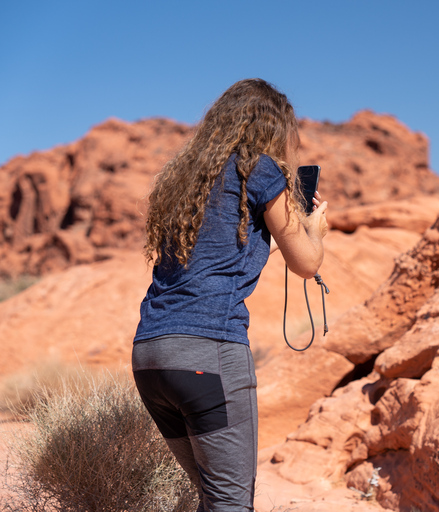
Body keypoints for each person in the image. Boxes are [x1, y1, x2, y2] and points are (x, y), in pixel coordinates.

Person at [132, 79, 328, 511]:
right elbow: (308, 263)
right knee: (232, 503)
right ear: (273, 129)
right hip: (209, 355)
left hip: (151, 356)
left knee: (213, 497)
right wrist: (314, 229)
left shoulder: (185, 181)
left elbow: (225, 252)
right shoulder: (261, 171)